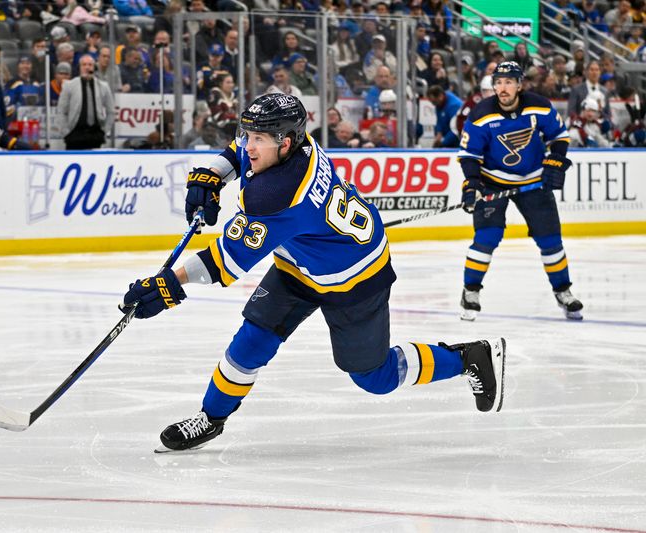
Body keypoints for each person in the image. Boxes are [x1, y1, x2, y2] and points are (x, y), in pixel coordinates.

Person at [121, 93, 507, 452]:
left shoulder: (277, 195)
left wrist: (169, 285)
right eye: (248, 134)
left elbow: (224, 262)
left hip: (356, 276)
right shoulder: (295, 145)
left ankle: (469, 357)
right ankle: (211, 417)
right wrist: (212, 174)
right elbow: (238, 152)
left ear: (285, 142)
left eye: (259, 139)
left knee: (375, 377)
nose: (249, 145)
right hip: (299, 265)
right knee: (251, 342)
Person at [456, 61, 583, 321]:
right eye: (499, 83)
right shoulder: (481, 114)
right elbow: (469, 155)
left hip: (532, 181)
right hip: (493, 181)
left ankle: (563, 291)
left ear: (519, 84)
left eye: (509, 82)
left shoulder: (539, 105)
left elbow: (559, 136)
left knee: (550, 240)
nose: (503, 88)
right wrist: (472, 183)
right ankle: (470, 291)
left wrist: (556, 158)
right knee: (486, 238)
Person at [57, 54, 114, 150]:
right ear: (79, 67)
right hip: (75, 135)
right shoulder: (69, 85)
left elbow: (111, 111)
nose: (87, 67)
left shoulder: (103, 86)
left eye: (90, 65)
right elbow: (61, 111)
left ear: (94, 67)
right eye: (84, 65)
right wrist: (66, 133)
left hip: (95, 135)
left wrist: (105, 131)